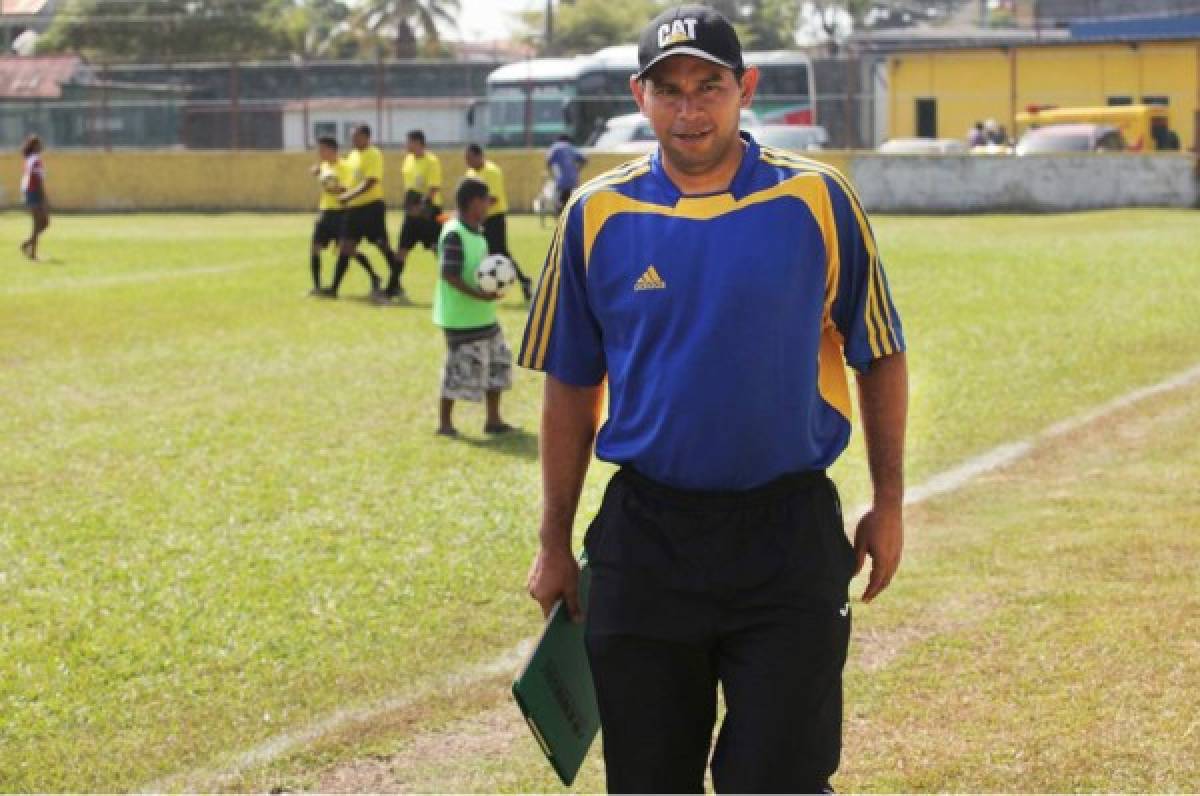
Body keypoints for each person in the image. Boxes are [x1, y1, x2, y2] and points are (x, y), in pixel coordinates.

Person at [520, 5, 908, 793]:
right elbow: (569, 385)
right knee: (648, 780)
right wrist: (554, 539)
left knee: (780, 779)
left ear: (745, 89)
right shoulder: (595, 214)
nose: (689, 109)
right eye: (668, 90)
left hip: (786, 536)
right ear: (640, 96)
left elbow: (880, 352)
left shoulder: (817, 201)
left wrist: (889, 500)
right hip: (647, 540)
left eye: (709, 86)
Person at [433, 177, 513, 437]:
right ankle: (445, 423)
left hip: (483, 315)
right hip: (460, 318)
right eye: (485, 201)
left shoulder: (477, 232)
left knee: (498, 362)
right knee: (459, 369)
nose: (488, 207)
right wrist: (480, 295)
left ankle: (494, 419)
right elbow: (449, 275)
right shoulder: (455, 233)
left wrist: (489, 293)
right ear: (474, 203)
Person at [329, 124, 400, 301]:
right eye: (352, 136)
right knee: (345, 247)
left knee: (382, 246)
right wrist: (340, 189)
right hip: (354, 209)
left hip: (372, 208)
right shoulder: (353, 156)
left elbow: (370, 182)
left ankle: (396, 283)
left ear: (367, 137)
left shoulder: (374, 154)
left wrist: (348, 195)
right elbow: (353, 181)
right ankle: (334, 288)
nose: (353, 140)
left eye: (356, 136)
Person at [310, 136, 380, 297]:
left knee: (348, 251)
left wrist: (336, 187)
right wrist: (319, 174)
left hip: (341, 213)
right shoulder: (324, 165)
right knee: (315, 248)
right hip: (325, 212)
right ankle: (317, 287)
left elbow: (348, 188)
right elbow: (322, 176)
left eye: (322, 149)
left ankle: (374, 277)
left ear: (331, 150)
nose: (319, 153)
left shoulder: (346, 166)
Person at [463, 143, 534, 301]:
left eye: (469, 158)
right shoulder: (470, 174)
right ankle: (484, 285)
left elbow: (493, 198)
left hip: (494, 218)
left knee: (500, 253)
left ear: (479, 156)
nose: (467, 162)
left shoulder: (491, 171)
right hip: (478, 219)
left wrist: (476, 211)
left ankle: (524, 281)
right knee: (482, 252)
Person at [388, 129, 444, 304]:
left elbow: (434, 188)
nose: (406, 145)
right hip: (412, 214)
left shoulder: (431, 161)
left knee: (439, 251)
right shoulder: (408, 160)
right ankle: (392, 288)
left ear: (418, 143)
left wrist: (422, 206)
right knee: (402, 250)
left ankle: (456, 285)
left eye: (409, 142)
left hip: (429, 212)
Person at [20, 134, 49, 261]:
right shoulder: (35, 160)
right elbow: (36, 178)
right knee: (39, 222)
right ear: (35, 146)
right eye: (39, 144)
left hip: (30, 191)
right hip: (34, 191)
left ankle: (27, 244)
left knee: (44, 222)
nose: (41, 146)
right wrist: (42, 195)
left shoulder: (31, 158)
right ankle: (32, 254)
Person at [545, 133, 586, 211]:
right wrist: (577, 170)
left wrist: (550, 172)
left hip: (561, 179)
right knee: (568, 197)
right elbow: (584, 159)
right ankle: (566, 211)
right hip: (573, 179)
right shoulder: (571, 147)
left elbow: (549, 161)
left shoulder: (555, 147)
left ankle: (560, 210)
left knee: (558, 197)